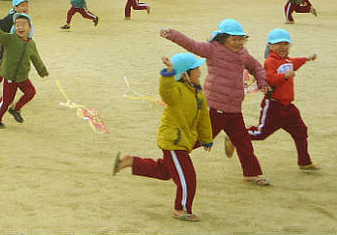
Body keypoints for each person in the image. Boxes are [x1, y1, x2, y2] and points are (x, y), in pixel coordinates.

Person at [160, 19, 270, 185]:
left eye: (241, 39)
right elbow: (191, 44)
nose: (238, 43)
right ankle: (170, 161)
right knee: (198, 140)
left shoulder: (243, 54)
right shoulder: (213, 50)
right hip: (215, 108)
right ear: (223, 38)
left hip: (234, 109)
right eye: (234, 39)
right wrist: (172, 34)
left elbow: (256, 67)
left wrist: (263, 82)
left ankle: (252, 173)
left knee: (244, 143)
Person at [113, 53, 213, 221]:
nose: (200, 73)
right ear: (185, 75)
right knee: (188, 177)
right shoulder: (176, 91)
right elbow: (165, 91)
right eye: (196, 70)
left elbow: (204, 118)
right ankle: (180, 209)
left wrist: (207, 138)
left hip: (184, 141)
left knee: (165, 171)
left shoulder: (198, 93)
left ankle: (131, 161)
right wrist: (169, 72)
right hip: (173, 141)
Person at [247, 29, 319, 171]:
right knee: (260, 134)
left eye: (286, 43)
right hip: (274, 105)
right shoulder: (270, 61)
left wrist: (307, 59)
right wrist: (285, 76)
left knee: (300, 131)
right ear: (270, 46)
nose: (282, 47)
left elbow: (295, 62)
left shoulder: (287, 60)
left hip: (288, 107)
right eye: (278, 44)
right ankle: (236, 137)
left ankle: (304, 161)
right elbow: (270, 79)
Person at [0, 11, 48, 128]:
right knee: (6, 100)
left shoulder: (31, 44)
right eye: (17, 25)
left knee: (31, 92)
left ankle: (15, 108)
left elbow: (36, 59)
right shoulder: (9, 39)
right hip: (10, 78)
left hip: (23, 77)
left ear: (30, 28)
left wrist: (42, 71)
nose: (20, 27)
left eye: (23, 24)